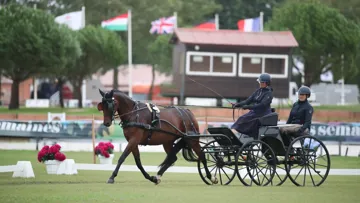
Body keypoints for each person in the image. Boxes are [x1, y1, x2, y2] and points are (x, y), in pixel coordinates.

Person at [231, 73, 274, 138]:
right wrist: (238, 105)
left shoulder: (269, 94)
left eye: (260, 82)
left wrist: (249, 107)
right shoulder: (258, 91)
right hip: (255, 112)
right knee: (241, 118)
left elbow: (261, 105)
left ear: (265, 83)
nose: (259, 83)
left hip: (263, 114)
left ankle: (248, 135)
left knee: (246, 120)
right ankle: (241, 135)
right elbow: (248, 101)